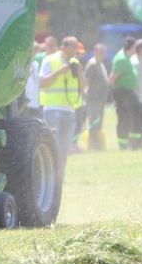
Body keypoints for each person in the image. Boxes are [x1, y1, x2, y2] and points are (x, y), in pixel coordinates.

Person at [40, 35, 85, 173]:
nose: (76, 49)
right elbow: (42, 82)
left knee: (65, 147)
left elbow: (83, 88)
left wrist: (80, 73)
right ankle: (51, 175)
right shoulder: (50, 60)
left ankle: (59, 176)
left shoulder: (75, 63)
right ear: (63, 47)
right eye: (73, 46)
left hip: (69, 110)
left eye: (76, 46)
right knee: (53, 145)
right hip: (53, 110)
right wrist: (59, 72)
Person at [110, 36, 142, 149]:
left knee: (134, 115)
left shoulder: (127, 58)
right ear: (131, 47)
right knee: (124, 117)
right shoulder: (122, 59)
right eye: (135, 47)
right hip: (122, 92)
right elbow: (113, 78)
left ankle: (133, 142)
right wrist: (118, 95)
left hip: (128, 92)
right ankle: (123, 144)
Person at [84, 43, 110, 151]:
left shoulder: (101, 64)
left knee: (98, 123)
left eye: (104, 52)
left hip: (100, 100)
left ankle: (98, 145)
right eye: (101, 52)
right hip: (93, 99)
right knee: (93, 123)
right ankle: (93, 145)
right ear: (95, 52)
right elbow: (86, 82)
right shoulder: (92, 64)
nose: (103, 54)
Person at [24, 41, 43, 118]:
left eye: (36, 50)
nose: (35, 52)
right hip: (25, 102)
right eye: (33, 50)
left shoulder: (35, 64)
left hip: (35, 102)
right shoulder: (24, 63)